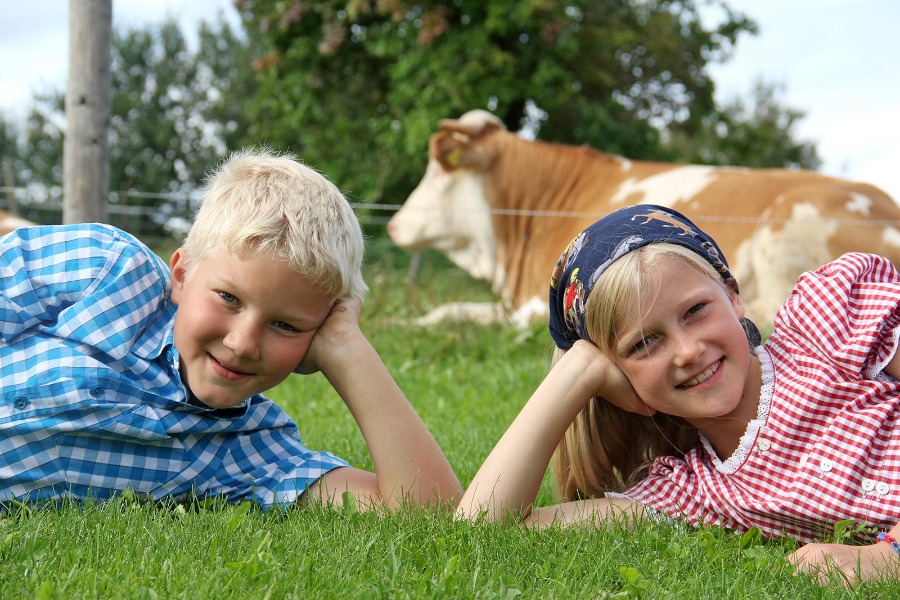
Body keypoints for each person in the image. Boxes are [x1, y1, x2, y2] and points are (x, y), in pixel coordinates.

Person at [456, 203, 900, 585]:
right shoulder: (691, 492)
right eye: (644, 343)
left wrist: (888, 555)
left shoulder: (824, 326)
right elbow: (482, 527)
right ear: (619, 376)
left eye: (695, 311)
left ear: (732, 294)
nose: (688, 351)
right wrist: (578, 371)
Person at [0, 148, 461, 512]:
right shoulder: (108, 267)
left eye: (285, 325)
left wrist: (346, 348)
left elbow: (425, 507)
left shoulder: (249, 447)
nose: (242, 344)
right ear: (182, 274)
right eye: (228, 298)